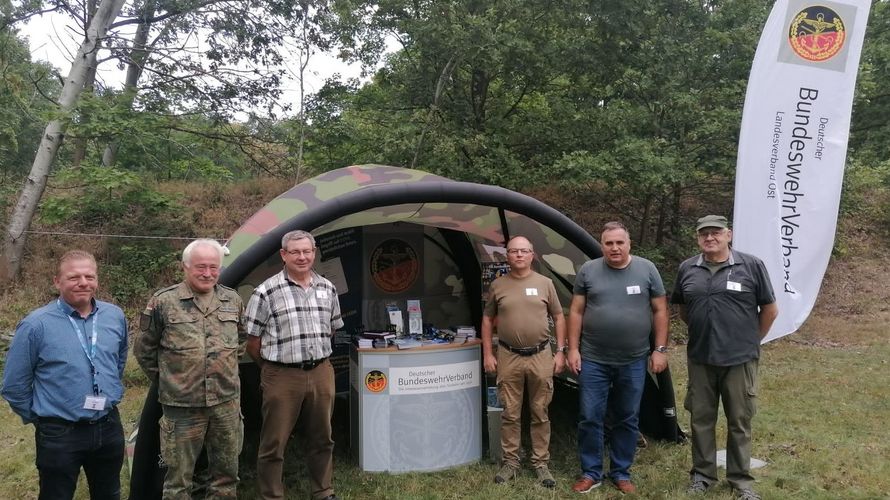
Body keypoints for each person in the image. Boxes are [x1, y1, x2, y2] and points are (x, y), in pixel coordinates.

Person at [1, 250, 128, 500]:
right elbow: (15, 385)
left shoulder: (114, 316)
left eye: (89, 276)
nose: (83, 282)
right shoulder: (35, 325)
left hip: (109, 426)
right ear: (57, 281)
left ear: (97, 280)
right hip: (60, 433)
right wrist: (45, 419)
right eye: (74, 277)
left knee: (109, 493)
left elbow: (118, 361)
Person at [671, 215, 778, 500]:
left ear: (728, 235)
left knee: (739, 421)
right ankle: (702, 476)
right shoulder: (687, 269)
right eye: (703, 233)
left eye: (716, 232)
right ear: (697, 238)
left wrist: (751, 340)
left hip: (739, 359)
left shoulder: (751, 266)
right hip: (701, 358)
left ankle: (741, 482)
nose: (710, 238)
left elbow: (770, 309)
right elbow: (683, 310)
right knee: (701, 419)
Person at [134, 239, 246, 500]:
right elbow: (144, 350)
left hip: (225, 403)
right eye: (200, 267)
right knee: (178, 479)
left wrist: (221, 369)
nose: (207, 273)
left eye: (213, 267)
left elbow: (240, 342)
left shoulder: (232, 300)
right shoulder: (163, 302)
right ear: (185, 267)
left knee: (226, 475)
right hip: (182, 407)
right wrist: (172, 380)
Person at [567, 222, 669, 494]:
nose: (614, 248)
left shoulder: (647, 270)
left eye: (619, 242)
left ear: (629, 243)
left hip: (633, 360)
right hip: (593, 359)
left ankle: (621, 472)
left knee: (627, 417)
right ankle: (591, 472)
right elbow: (576, 311)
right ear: (602, 245)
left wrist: (659, 349)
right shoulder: (589, 270)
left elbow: (660, 310)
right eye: (608, 243)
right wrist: (573, 349)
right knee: (590, 416)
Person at [245, 230, 343, 500]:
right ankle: (271, 495)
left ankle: (323, 491)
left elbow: (331, 330)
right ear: (283, 255)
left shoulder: (327, 288)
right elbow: (252, 341)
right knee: (274, 442)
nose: (302, 257)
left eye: (307, 251)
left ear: (314, 253)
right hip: (282, 375)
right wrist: (270, 369)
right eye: (296, 252)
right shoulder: (266, 292)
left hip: (321, 371)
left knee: (323, 437)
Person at [481, 236, 567, 488]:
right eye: (514, 251)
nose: (519, 255)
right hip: (509, 355)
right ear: (507, 255)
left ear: (532, 255)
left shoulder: (545, 283)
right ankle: (511, 462)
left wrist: (560, 351)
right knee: (510, 411)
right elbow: (487, 320)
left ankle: (540, 463)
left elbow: (559, 316)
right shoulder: (498, 285)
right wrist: (488, 353)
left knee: (540, 410)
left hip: (541, 355)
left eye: (524, 251)